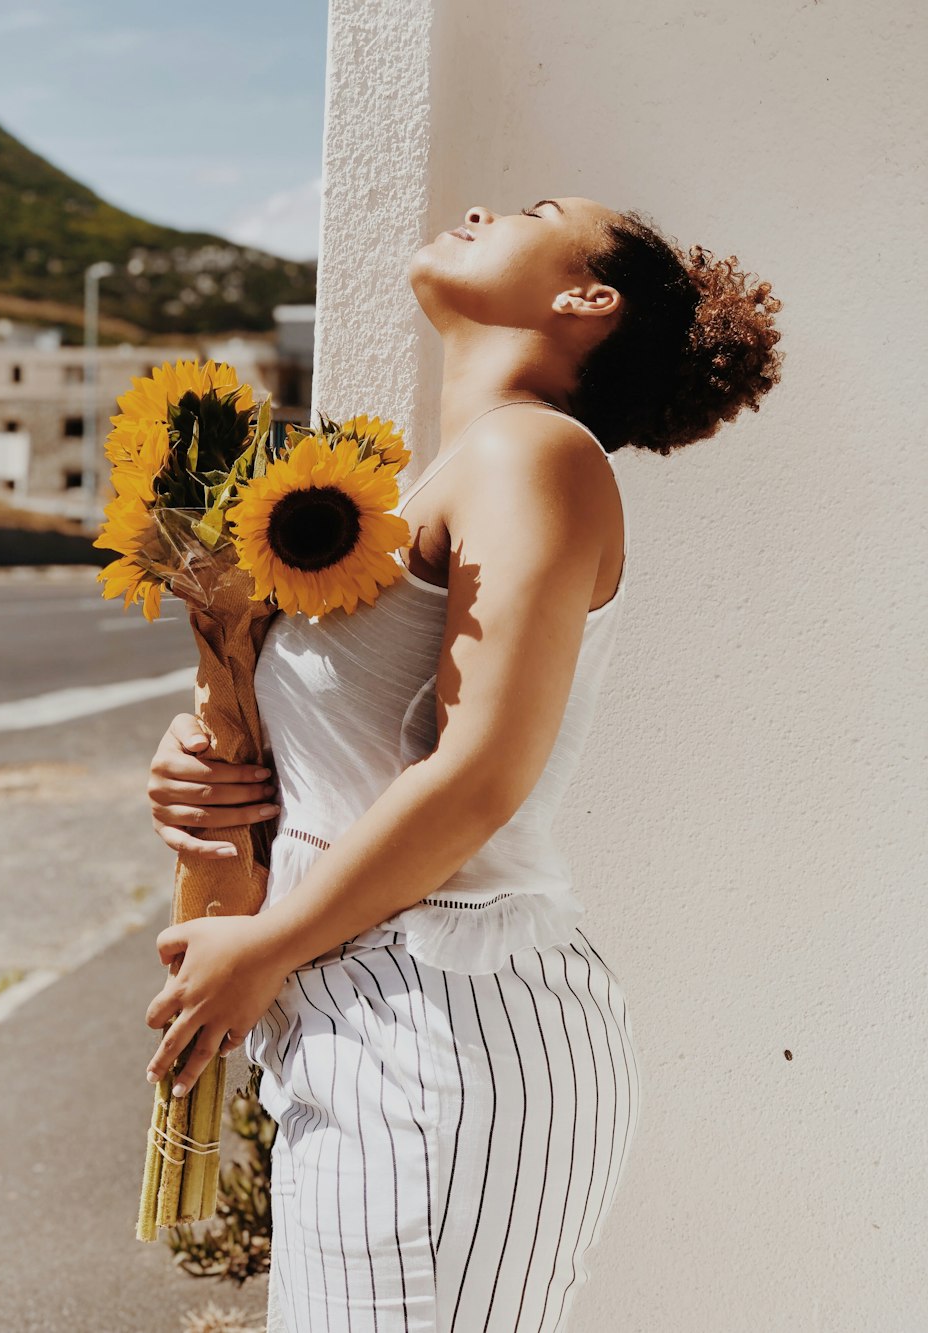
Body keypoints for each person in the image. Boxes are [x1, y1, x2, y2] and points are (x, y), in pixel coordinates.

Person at [143, 196, 784, 1331]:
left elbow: (484, 769)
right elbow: (359, 759)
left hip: (446, 1019)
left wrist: (269, 947)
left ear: (587, 301)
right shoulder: (426, 488)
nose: (484, 206)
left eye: (537, 212)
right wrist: (205, 758)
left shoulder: (536, 449)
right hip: (370, 1021)